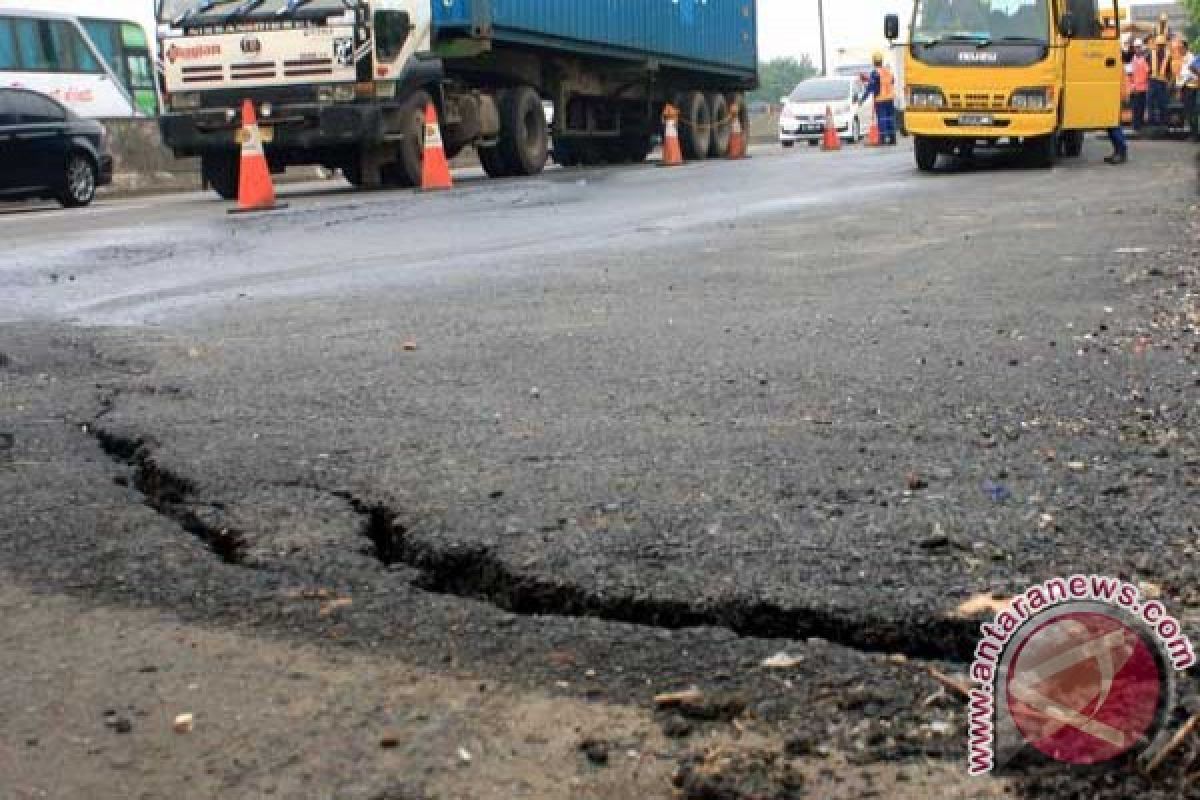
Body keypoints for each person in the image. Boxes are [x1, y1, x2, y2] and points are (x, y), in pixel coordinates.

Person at [862, 52, 897, 145]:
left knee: (882, 119)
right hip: (890, 98)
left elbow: (871, 87)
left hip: (880, 99)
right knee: (890, 118)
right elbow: (892, 81)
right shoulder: (888, 71)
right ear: (881, 61)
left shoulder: (875, 73)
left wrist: (863, 99)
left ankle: (882, 138)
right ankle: (893, 138)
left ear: (874, 61)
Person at [1148, 35, 1173, 127]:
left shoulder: (1168, 56)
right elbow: (1145, 68)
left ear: (1164, 45)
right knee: (1150, 103)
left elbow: (1170, 70)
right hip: (1152, 81)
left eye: (1162, 45)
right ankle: (1152, 122)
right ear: (1156, 45)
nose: (1160, 47)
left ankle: (1163, 123)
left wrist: (1170, 81)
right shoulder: (1150, 54)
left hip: (1162, 82)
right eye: (1159, 45)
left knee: (1162, 103)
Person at [1177, 39, 1198, 140]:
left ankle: (1194, 135)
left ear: (1185, 48)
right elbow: (1182, 73)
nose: (1179, 50)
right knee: (1188, 111)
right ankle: (1192, 133)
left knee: (1191, 111)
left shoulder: (1191, 57)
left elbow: (1189, 74)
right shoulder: (1183, 57)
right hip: (1185, 87)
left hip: (1191, 87)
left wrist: (1180, 84)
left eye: (1180, 48)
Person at [1130, 39, 1150, 132]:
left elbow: (1148, 72)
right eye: (1136, 47)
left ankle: (1140, 125)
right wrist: (1131, 86)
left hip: (1143, 88)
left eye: (1139, 47)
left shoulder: (1144, 59)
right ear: (1134, 48)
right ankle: (1135, 126)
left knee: (1141, 107)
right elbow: (1130, 74)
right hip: (1134, 88)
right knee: (1135, 108)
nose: (1138, 49)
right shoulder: (1132, 60)